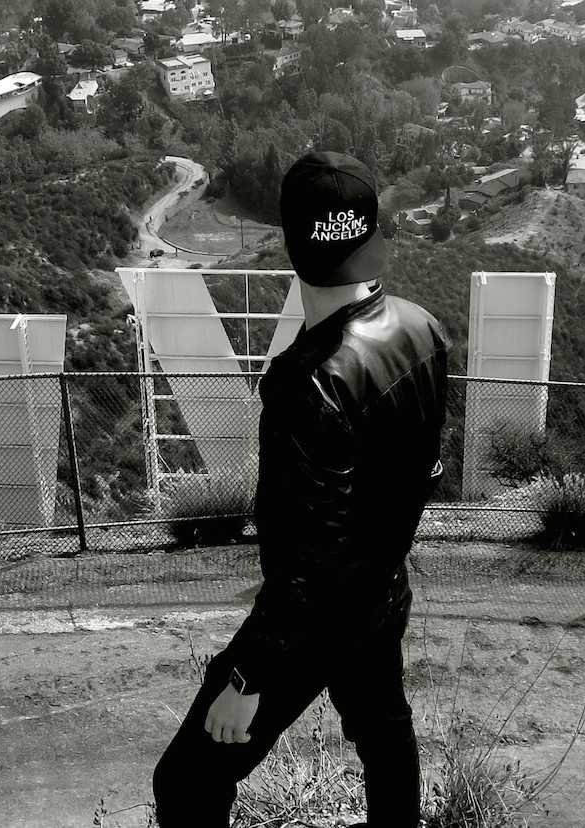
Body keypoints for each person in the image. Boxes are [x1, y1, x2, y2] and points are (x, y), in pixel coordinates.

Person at [152, 151, 450, 828]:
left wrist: (246, 677)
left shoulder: (306, 385)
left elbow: (306, 568)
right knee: (384, 731)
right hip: (383, 590)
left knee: (186, 782)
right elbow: (425, 473)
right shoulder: (423, 329)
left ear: (291, 243)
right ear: (368, 231)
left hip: (312, 625)